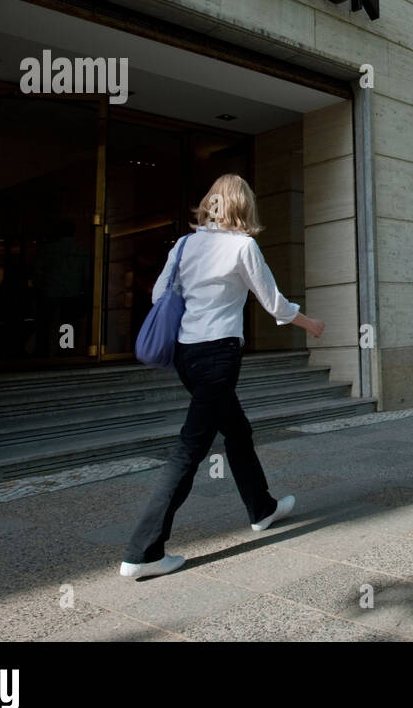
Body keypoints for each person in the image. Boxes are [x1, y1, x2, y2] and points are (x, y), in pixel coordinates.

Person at [120, 174, 325, 579]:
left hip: (186, 356)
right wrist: (309, 324)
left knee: (237, 431)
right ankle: (142, 553)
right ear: (243, 206)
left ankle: (261, 508)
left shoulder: (183, 244)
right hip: (218, 356)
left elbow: (159, 294)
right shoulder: (242, 246)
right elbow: (273, 303)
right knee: (189, 449)